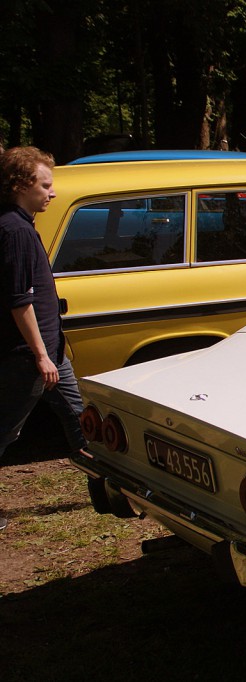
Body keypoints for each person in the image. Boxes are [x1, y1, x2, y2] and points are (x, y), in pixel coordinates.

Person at [1, 147, 89, 532]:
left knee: (80, 418)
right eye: (46, 185)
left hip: (51, 354)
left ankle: (107, 488)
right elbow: (19, 300)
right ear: (22, 185)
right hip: (30, 358)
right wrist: (40, 356)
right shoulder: (14, 230)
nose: (52, 193)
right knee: (5, 431)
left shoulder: (23, 222)